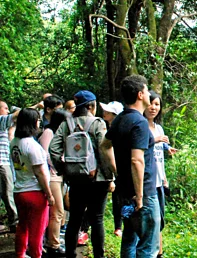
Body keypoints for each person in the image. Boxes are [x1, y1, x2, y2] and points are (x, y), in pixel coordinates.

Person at [100, 75, 161, 258]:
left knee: (129, 238)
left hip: (124, 193)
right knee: (147, 246)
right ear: (141, 94)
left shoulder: (120, 119)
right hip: (143, 195)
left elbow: (104, 145)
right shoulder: (140, 123)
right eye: (147, 89)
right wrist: (140, 196)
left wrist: (116, 169)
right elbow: (137, 160)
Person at [49, 90, 114, 258]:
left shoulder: (66, 125)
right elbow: (104, 150)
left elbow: (53, 150)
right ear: (91, 106)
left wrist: (65, 170)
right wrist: (110, 176)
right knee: (97, 218)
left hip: (76, 179)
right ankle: (99, 256)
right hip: (97, 179)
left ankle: (71, 255)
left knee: (75, 219)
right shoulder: (97, 123)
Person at [10, 108, 55, 258]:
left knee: (22, 226)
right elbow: (40, 173)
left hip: (19, 190)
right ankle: (36, 255)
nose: (39, 123)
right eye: (37, 120)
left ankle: (20, 254)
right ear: (32, 123)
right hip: (35, 192)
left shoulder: (14, 143)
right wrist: (49, 194)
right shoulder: (32, 146)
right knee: (37, 229)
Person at [144, 91, 177, 258]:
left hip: (159, 180)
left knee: (160, 220)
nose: (153, 107)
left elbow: (160, 152)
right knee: (151, 221)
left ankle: (159, 252)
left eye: (157, 104)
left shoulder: (159, 128)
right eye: (150, 103)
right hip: (146, 182)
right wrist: (156, 140)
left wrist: (167, 148)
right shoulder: (141, 126)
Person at [38, 109, 70, 256]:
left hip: (58, 175)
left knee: (59, 212)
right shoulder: (49, 133)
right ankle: (53, 245)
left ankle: (52, 240)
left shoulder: (59, 133)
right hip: (52, 176)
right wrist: (63, 163)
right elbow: (46, 155)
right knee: (57, 211)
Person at [99, 100, 124, 237]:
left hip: (116, 168)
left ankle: (118, 226)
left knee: (118, 197)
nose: (104, 112)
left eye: (108, 111)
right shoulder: (104, 128)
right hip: (105, 169)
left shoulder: (118, 130)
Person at [0, 100, 18, 232]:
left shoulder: (5, 125)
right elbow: (20, 114)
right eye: (5, 108)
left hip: (5, 161)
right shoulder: (1, 120)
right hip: (2, 163)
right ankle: (15, 221)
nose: (7, 111)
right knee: (8, 192)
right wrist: (38, 106)